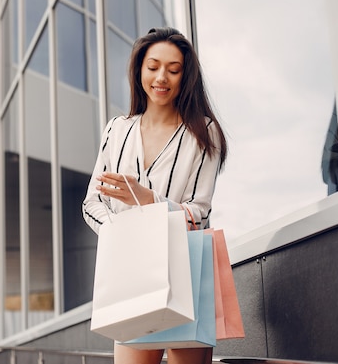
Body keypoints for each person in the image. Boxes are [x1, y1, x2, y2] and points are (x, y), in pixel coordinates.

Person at [82, 27, 228, 364]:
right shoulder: (117, 130)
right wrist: (120, 233)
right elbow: (92, 203)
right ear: (139, 70)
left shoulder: (203, 133)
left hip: (188, 272)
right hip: (131, 272)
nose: (162, 77)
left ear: (185, 77)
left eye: (174, 70)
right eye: (153, 66)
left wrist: (150, 202)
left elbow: (200, 213)